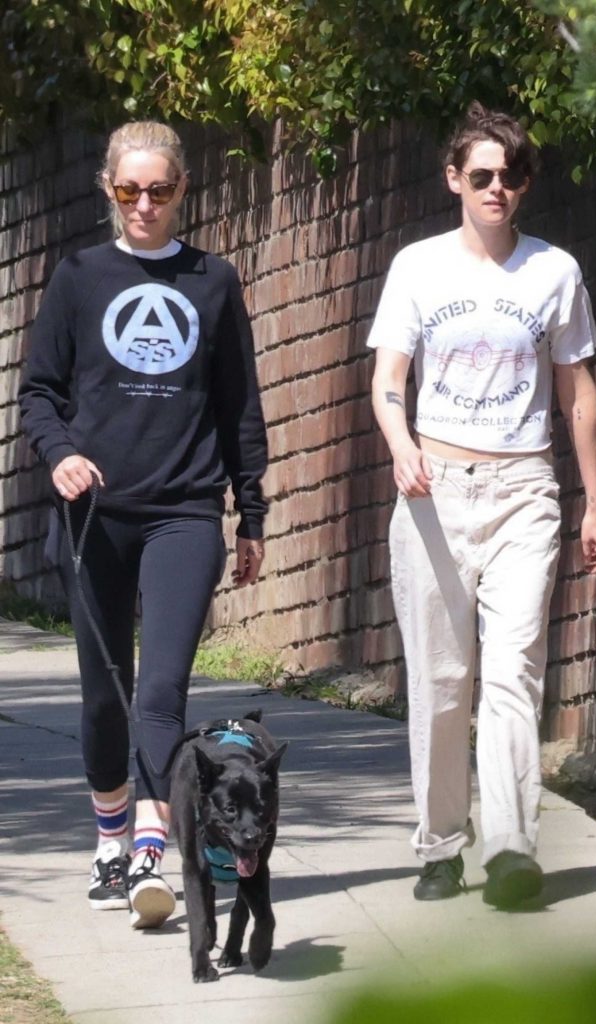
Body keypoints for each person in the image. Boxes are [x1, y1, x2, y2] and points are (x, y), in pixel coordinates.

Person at [18, 121, 268, 928]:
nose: (144, 205)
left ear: (182, 192)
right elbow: (40, 392)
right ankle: (110, 838)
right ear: (108, 190)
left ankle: (154, 854)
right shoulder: (80, 278)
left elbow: (240, 407)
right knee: (104, 698)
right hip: (95, 516)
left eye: (159, 190)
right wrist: (59, 455)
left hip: (185, 512)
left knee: (159, 692)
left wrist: (250, 512)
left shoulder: (213, 281)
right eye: (129, 190)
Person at [368, 102, 596, 909]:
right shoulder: (418, 267)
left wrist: (593, 505)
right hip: (435, 489)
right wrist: (402, 446)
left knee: (513, 674)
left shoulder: (555, 272)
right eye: (481, 176)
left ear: (525, 183)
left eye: (509, 176)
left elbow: (578, 392)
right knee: (442, 681)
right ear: (454, 181)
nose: (496, 188)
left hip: (524, 493)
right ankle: (440, 845)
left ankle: (511, 847)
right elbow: (388, 378)